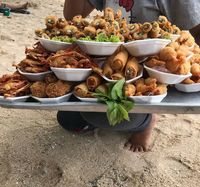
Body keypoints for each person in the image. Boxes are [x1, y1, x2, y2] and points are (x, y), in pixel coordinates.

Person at [58, 0, 200, 152]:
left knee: (109, 120)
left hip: (148, 70)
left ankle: (147, 120)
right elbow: (72, 16)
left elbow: (195, 30)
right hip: (110, 64)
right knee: (68, 120)